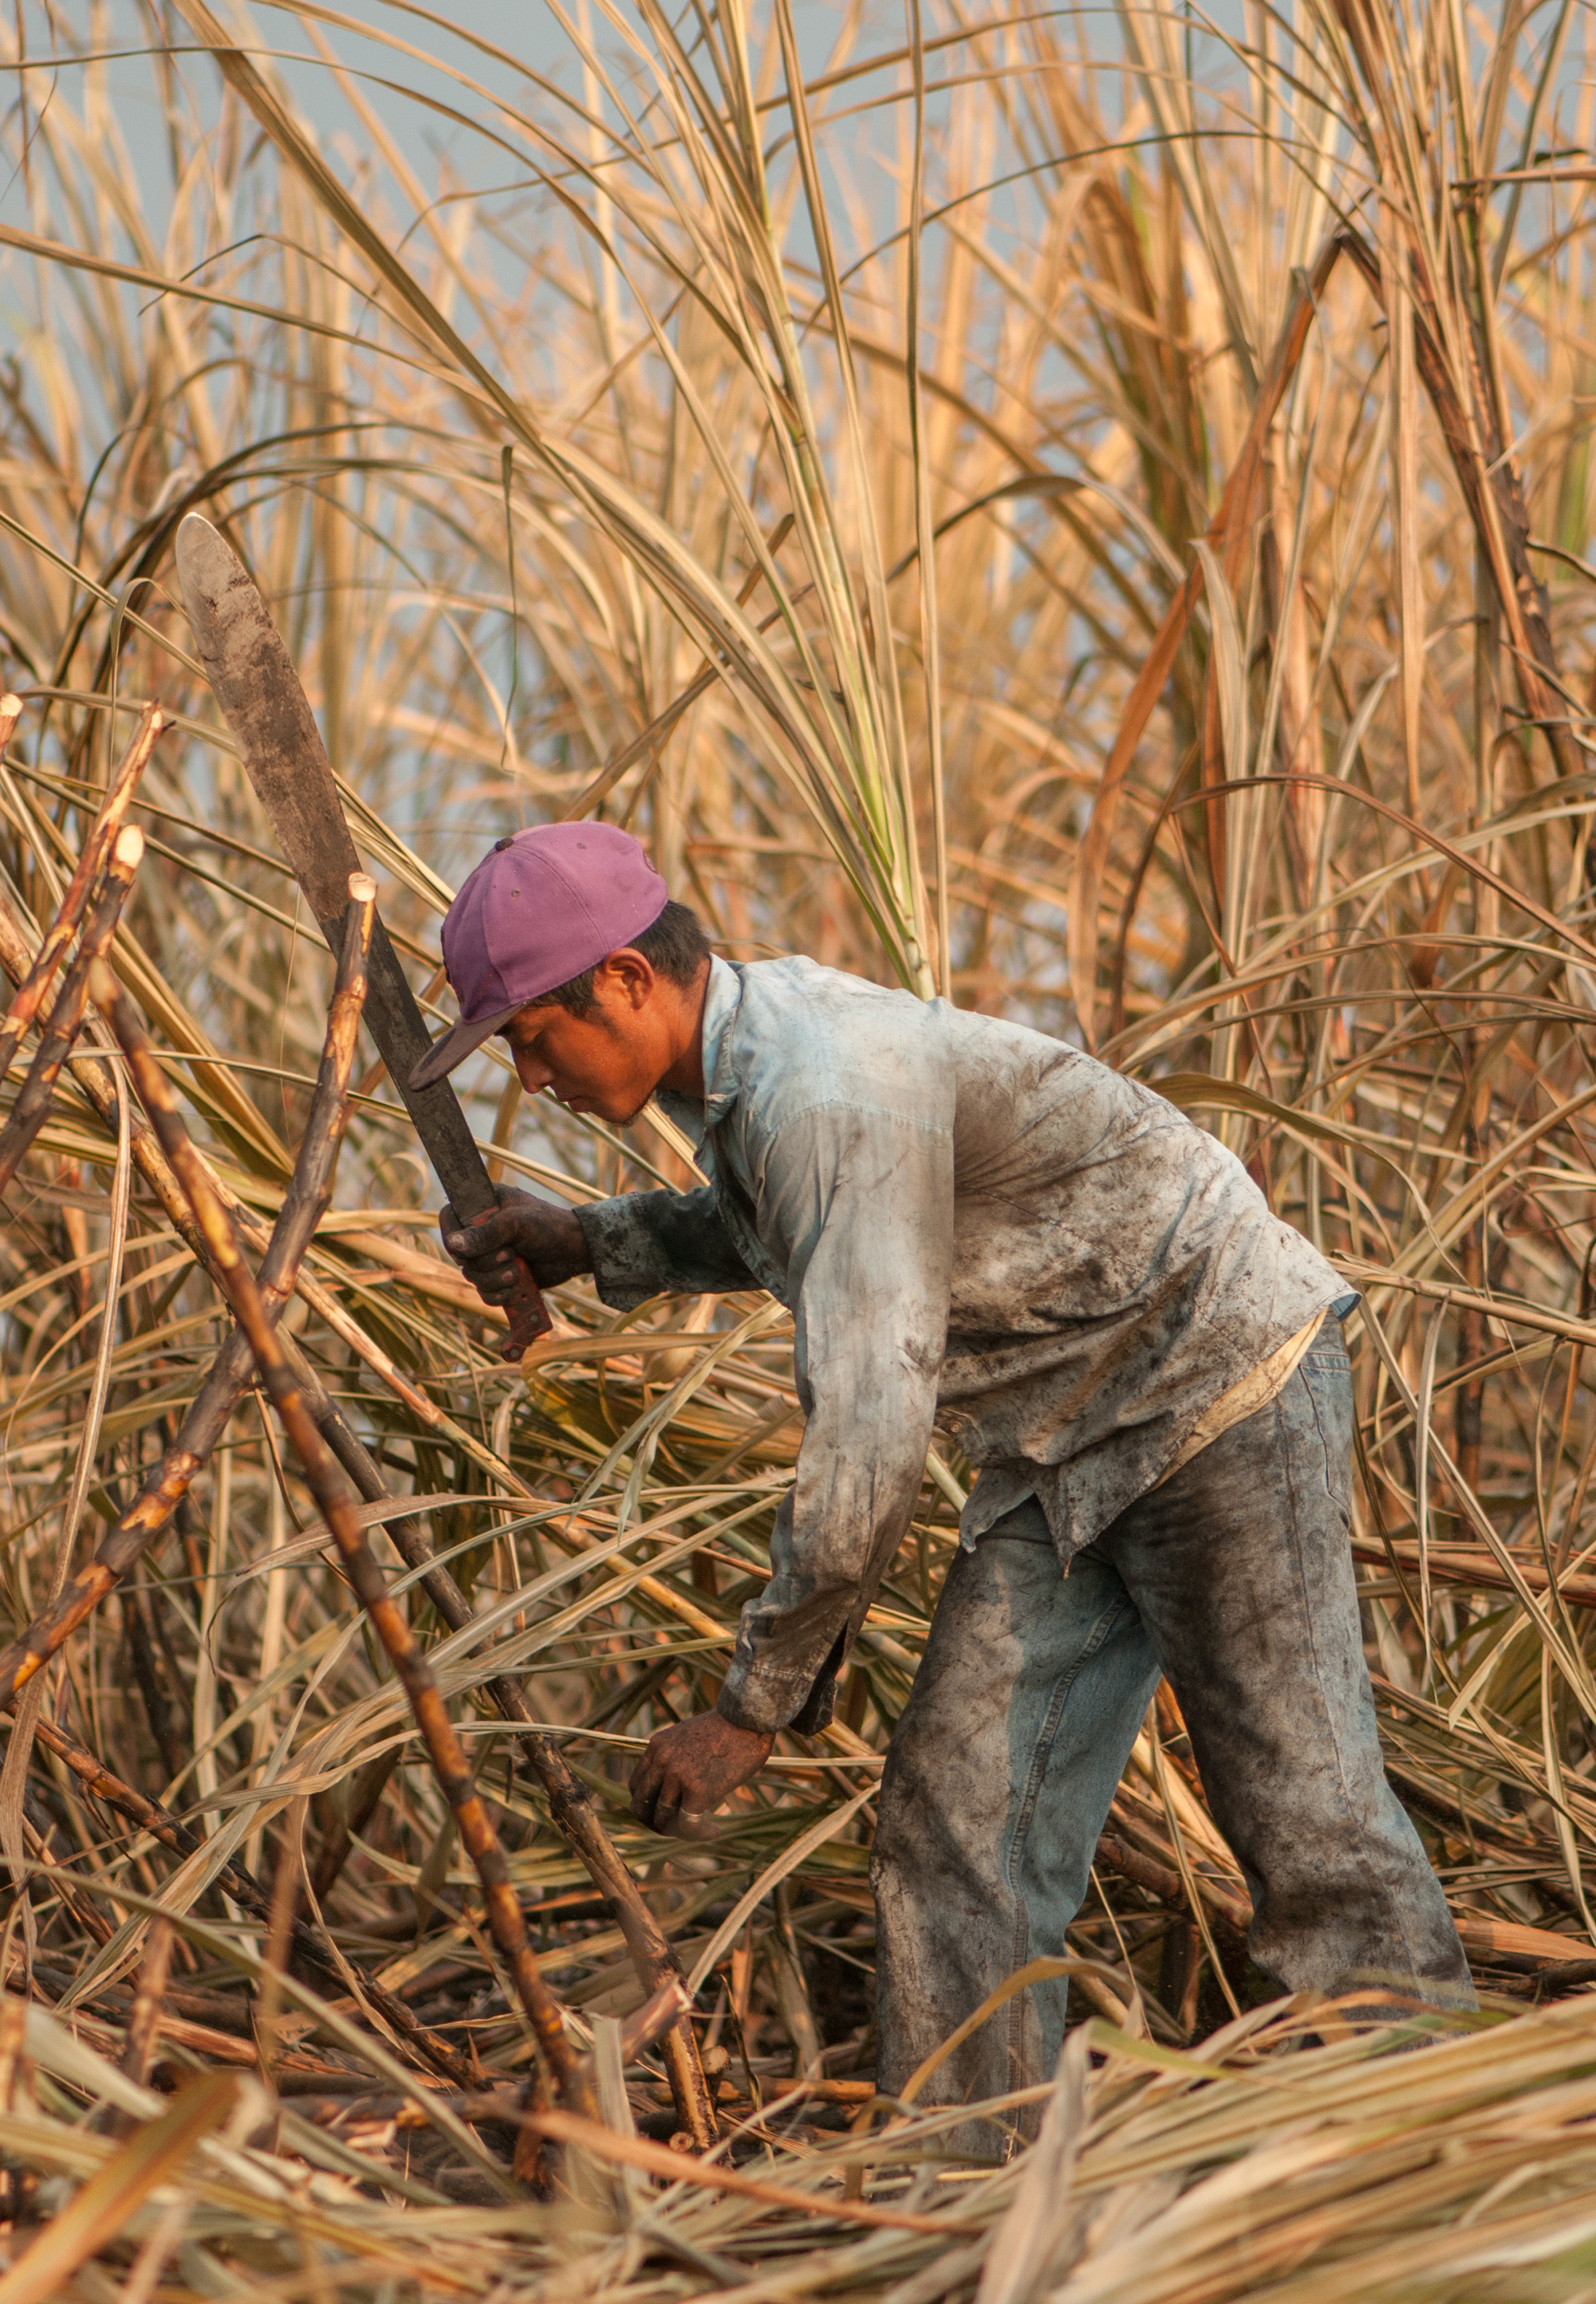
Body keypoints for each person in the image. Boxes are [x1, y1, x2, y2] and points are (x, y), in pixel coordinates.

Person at [411, 820, 1474, 2150]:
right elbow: (795, 1227)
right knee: (952, 1830)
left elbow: (869, 1433)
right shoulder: (748, 1076)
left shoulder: (821, 1091)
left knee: (1310, 1830)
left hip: (1215, 1378)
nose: (530, 1077)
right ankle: (969, 2208)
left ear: (623, 980)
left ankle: (1440, 2173)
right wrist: (589, 1241)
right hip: (1064, 1431)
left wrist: (755, 1705)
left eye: (528, 1037)